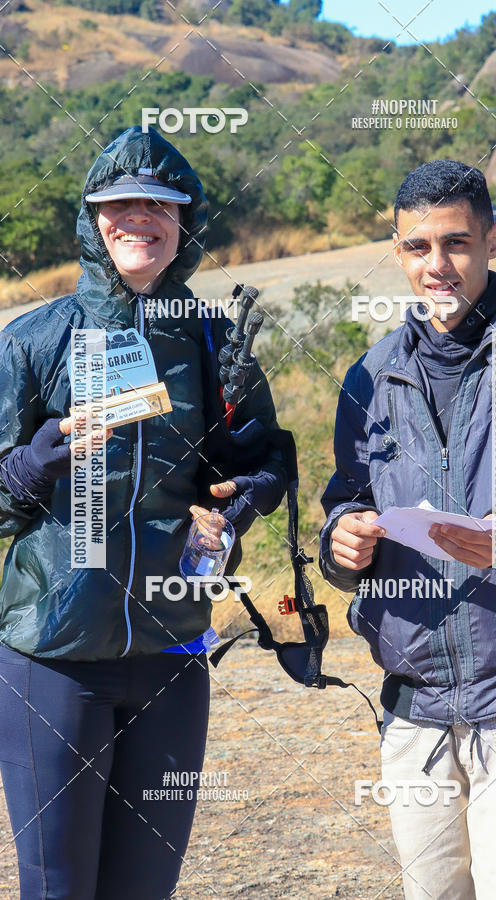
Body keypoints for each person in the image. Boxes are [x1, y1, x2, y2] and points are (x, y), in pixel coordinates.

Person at [0, 125, 286, 899]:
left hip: (172, 654)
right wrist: (29, 466)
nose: (138, 217)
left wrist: (244, 498)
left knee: (144, 889)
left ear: (185, 221)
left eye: (158, 204)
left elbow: (267, 458)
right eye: (119, 203)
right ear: (94, 221)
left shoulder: (216, 340)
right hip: (52, 654)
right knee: (60, 887)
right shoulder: (35, 340)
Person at [319, 159, 496, 898]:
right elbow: (343, 501)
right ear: (398, 249)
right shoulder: (369, 376)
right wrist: (340, 542)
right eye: (417, 248)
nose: (436, 265)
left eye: (456, 244)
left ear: (495, 241)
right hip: (412, 713)